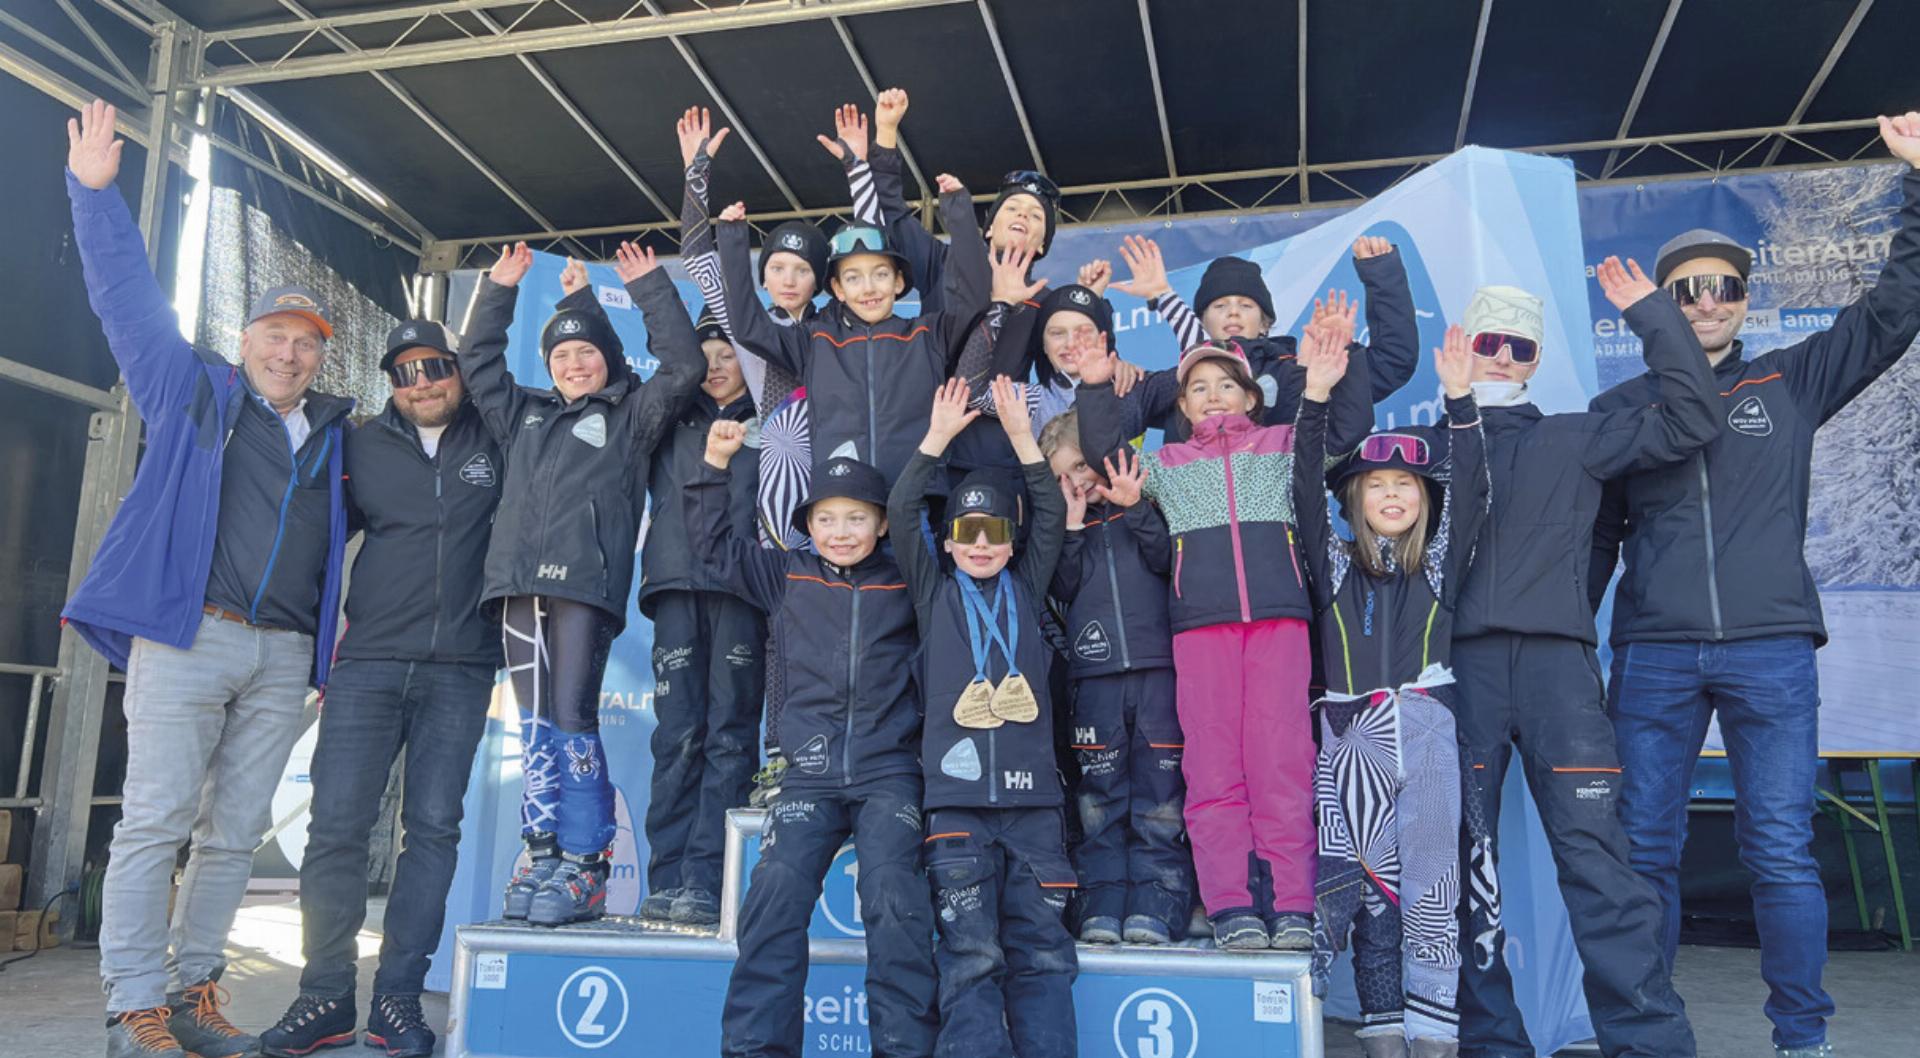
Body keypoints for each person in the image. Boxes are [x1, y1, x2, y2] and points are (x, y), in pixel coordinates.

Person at [1588, 110, 1920, 1058]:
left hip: (1772, 651)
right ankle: (1644, 1038)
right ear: (1660, 302)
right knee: (1643, 853)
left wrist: (1919, 181)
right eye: (1686, 288)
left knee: (1778, 850)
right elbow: (1598, 544)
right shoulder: (1624, 409)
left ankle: (1801, 1038)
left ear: (1744, 296)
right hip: (1653, 655)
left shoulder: (1792, 380)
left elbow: (1896, 308)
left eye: (1724, 286)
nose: (1706, 300)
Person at [62, 99, 354, 1058]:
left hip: (280, 660)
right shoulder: (192, 393)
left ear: (321, 358)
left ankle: (194, 995)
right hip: (189, 635)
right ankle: (134, 1002)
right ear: (246, 344)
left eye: (307, 341)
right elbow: (125, 300)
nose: (289, 349)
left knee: (231, 840)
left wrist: (325, 645)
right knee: (153, 824)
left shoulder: (338, 440)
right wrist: (95, 196)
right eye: (275, 334)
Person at [1446, 266, 1708, 1058]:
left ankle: (1649, 1043)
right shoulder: (1423, 448)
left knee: (1602, 866)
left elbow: (1695, 416)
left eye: (1515, 346)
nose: (1498, 356)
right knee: (1464, 865)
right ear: (1460, 344)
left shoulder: (1575, 433)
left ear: (1532, 360)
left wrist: (1651, 313)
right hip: (1461, 676)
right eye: (1485, 340)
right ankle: (1491, 1041)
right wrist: (1454, 407)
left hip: (1560, 674)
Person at [1078, 312, 1365, 950]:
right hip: (1200, 628)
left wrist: (1322, 379)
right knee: (1212, 768)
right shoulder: (1169, 464)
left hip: (1279, 622)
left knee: (1282, 763)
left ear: (1252, 397)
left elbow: (1344, 432)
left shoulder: (1283, 447)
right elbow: (1106, 455)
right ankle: (1231, 904)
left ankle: (1290, 903)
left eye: (1226, 384)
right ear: (1181, 405)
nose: (1213, 394)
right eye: (1199, 386)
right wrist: (1097, 389)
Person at [260, 321, 502, 1058]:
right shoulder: (358, 446)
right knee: (335, 831)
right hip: (365, 665)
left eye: (434, 367)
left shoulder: (498, 438)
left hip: (461, 669)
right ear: (388, 385)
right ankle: (325, 995)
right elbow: (311, 536)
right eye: (403, 372)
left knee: (431, 833)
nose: (421, 382)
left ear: (459, 370)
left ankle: (398, 999)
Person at [461, 242, 702, 926]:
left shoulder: (630, 417)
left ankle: (587, 864)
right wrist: (498, 292)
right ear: (546, 366)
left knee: (571, 724)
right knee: (533, 728)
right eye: (562, 355)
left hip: (583, 590)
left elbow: (683, 365)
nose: (573, 363)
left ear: (609, 361)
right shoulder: (523, 415)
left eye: (587, 353)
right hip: (514, 588)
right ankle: (542, 855)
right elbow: (478, 365)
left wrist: (650, 286)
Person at [691, 439, 937, 1058]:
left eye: (857, 517)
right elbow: (712, 547)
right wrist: (714, 470)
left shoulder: (911, 579)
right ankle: (754, 1049)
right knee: (773, 893)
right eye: (825, 518)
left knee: (893, 898)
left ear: (883, 523)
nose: (841, 531)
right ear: (806, 526)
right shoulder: (786, 573)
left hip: (889, 773)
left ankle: (904, 1049)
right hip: (810, 775)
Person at [1293, 326, 1486, 1058]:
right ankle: (1382, 1040)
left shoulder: (1438, 568)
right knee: (1373, 898)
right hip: (1350, 744)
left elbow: (1472, 486)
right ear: (1355, 500)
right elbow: (1301, 488)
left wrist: (1462, 399)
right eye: (1377, 484)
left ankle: (1435, 1041)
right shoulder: (1333, 565)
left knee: (1433, 899)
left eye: (1406, 483)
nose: (1394, 493)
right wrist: (1313, 398)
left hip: (1432, 736)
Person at [892, 378, 1076, 1058]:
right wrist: (936, 439)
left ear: (1010, 541)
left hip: (1034, 812)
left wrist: (1024, 439)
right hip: (957, 808)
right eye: (964, 532)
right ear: (945, 543)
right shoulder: (933, 593)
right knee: (970, 958)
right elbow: (902, 503)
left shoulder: (1026, 589)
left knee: (1044, 956)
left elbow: (1051, 516)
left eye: (993, 531)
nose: (978, 543)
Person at [712, 171, 989, 491]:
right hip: (839, 508)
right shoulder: (815, 342)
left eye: (881, 274)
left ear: (899, 282)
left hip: (914, 505)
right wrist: (732, 241)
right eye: (854, 277)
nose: (868, 288)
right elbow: (748, 328)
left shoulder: (929, 334)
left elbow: (974, 298)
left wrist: (959, 213)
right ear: (837, 289)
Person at [1037, 408, 1189, 946]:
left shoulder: (1149, 508)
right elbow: (1063, 585)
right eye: (1061, 475)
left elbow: (1169, 561)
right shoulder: (1060, 531)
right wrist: (1071, 527)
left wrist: (1137, 508)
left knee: (1160, 798)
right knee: (1099, 800)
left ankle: (1159, 899)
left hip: (1159, 674)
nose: (1076, 480)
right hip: (1094, 680)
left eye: (1081, 465)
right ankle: (1101, 900)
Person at [635, 309, 765, 927]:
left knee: (731, 734)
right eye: (704, 357)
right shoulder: (666, 417)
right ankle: (666, 877)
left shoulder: (775, 421)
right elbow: (669, 362)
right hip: (676, 587)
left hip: (743, 589)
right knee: (678, 735)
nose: (714, 368)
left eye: (728, 355)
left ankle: (708, 878)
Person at [1104, 233, 1421, 450]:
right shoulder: (1182, 382)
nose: (1232, 312)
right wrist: (1115, 372)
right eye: (1219, 305)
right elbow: (1109, 422)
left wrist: (1382, 274)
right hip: (1196, 537)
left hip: (1279, 532)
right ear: (1202, 321)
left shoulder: (1300, 368)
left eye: (1246, 305)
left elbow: (1392, 363)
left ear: (1266, 322)